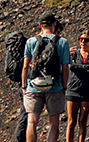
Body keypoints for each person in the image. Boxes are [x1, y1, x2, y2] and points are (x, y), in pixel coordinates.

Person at [22, 13, 71, 142]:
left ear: (40, 26)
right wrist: (64, 87)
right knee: (54, 124)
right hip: (55, 86)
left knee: (31, 121)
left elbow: (25, 66)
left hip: (33, 86)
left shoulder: (31, 41)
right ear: (54, 24)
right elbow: (65, 68)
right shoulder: (62, 42)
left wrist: (23, 86)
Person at [66, 28, 89, 142]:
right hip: (73, 89)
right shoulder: (73, 53)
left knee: (83, 120)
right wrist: (86, 69)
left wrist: (77, 67)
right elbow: (71, 66)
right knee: (71, 121)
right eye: (81, 39)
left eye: (86, 40)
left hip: (87, 91)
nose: (83, 42)